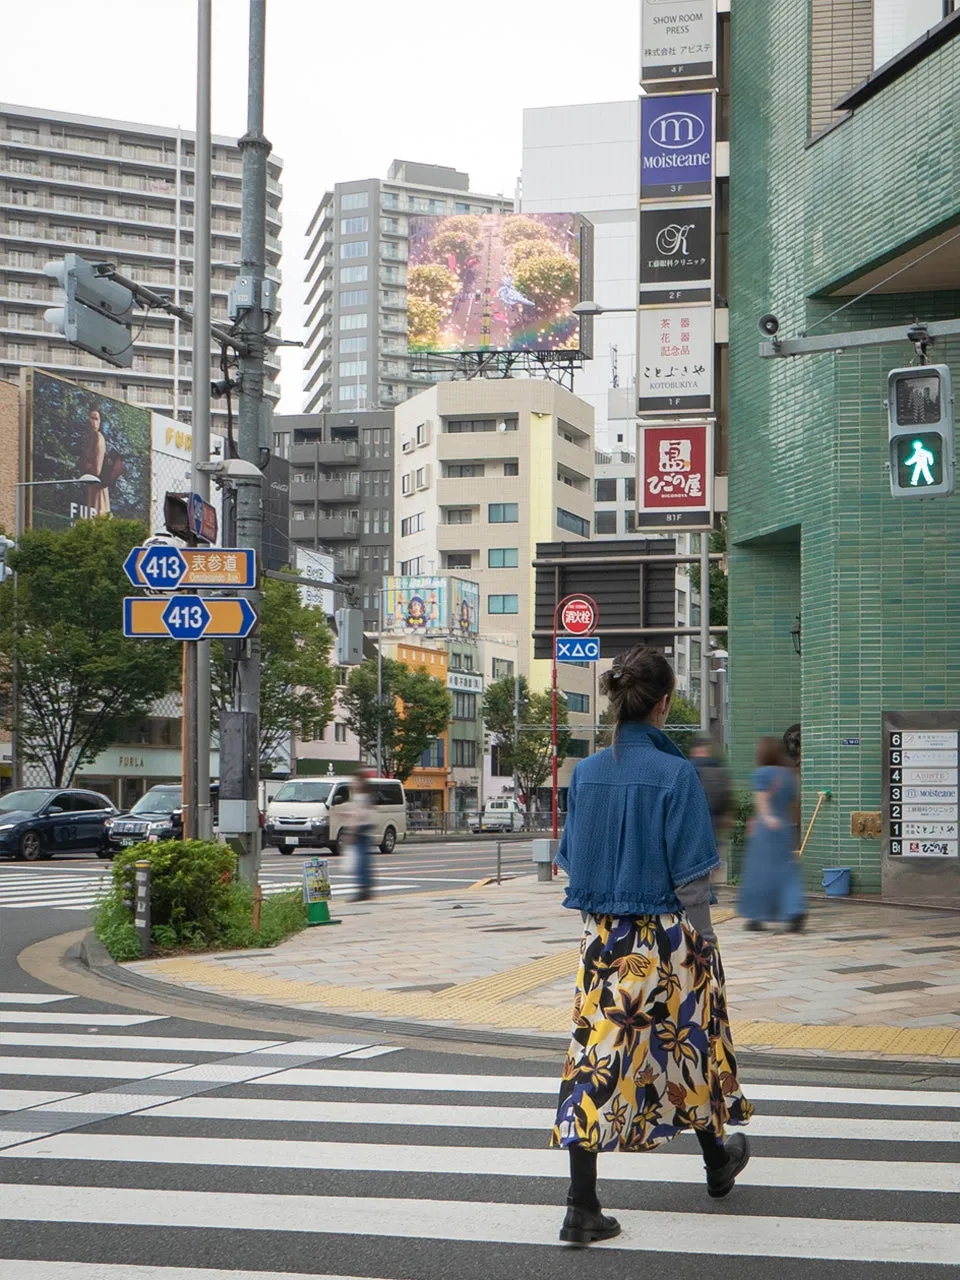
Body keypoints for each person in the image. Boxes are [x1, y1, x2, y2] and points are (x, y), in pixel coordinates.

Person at [552, 646, 752, 1247]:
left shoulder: (585, 773)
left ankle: (588, 1199)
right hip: (667, 934)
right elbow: (692, 880)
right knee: (692, 1044)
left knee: (596, 1055)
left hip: (602, 938)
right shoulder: (675, 775)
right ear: (663, 703)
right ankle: (710, 1159)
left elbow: (571, 864)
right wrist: (706, 944)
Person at [738, 737, 805, 932]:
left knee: (760, 873)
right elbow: (793, 806)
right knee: (787, 871)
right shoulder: (789, 775)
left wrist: (767, 818)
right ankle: (795, 910)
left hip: (765, 831)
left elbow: (761, 802)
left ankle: (756, 916)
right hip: (785, 828)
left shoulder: (761, 774)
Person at [690, 733, 733, 881]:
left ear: (695, 750)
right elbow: (727, 801)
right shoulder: (720, 772)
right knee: (710, 869)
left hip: (692, 829)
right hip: (713, 827)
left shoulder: (689, 770)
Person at [344, 771, 376, 903]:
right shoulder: (367, 796)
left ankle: (363, 889)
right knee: (365, 860)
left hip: (361, 829)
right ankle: (366, 888)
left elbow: (358, 815)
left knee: (360, 862)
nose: (353, 783)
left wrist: (351, 831)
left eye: (355, 781)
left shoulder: (360, 797)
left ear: (361, 782)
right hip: (367, 828)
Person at [79, 406, 110, 515]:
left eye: (96, 419)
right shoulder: (89, 438)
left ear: (101, 422)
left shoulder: (98, 437)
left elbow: (96, 470)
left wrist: (86, 466)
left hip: (97, 488)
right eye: (91, 418)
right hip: (92, 487)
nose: (93, 422)